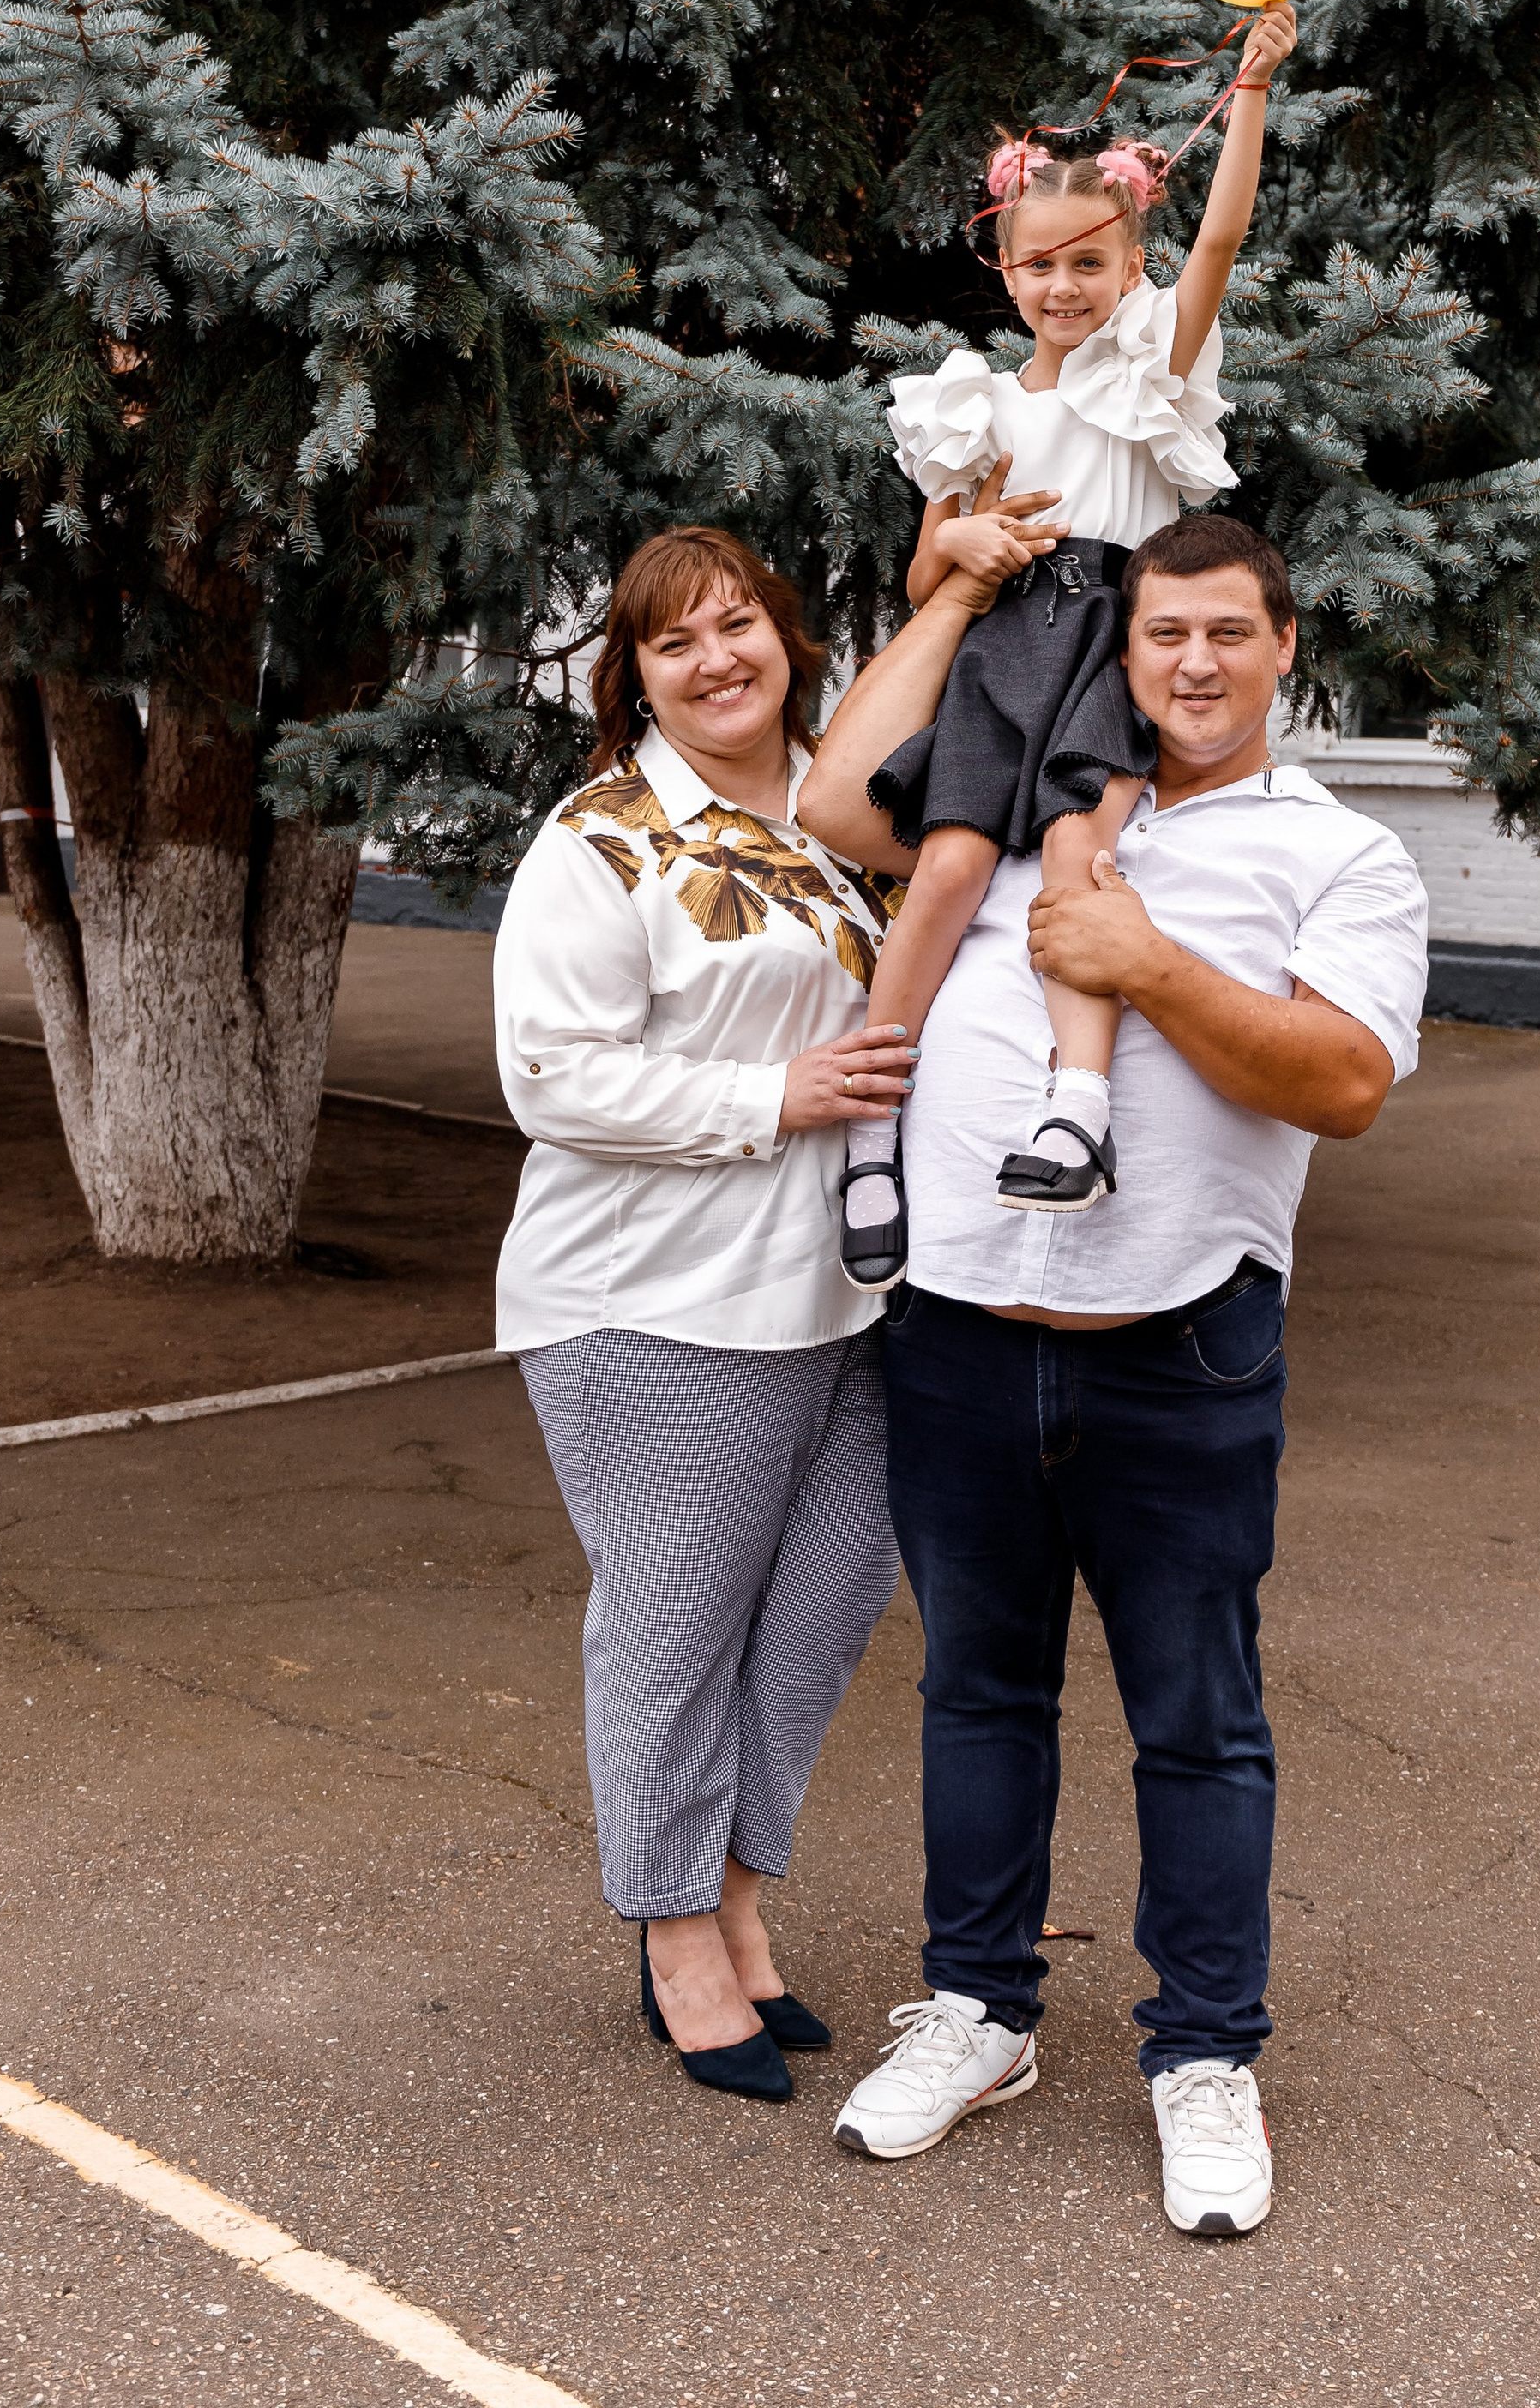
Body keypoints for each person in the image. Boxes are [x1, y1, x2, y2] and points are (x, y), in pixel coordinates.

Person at [797, 512, 1429, 2235]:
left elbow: (1343, 1080)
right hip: (956, 1331)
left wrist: (1144, 964)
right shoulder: (1018, 785)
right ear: (1123, 649)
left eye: (1229, 633)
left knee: (1196, 1726)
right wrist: (952, 591)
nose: (1195, 666)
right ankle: (979, 2012)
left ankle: (1202, 2054)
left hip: (1180, 1347)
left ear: (1283, 644)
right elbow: (837, 797)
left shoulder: (1336, 854)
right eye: (1163, 636)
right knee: (976, 1695)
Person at [492, 526, 919, 2105]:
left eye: (739, 626)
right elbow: (550, 1075)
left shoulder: (845, 816)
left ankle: (742, 1906)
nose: (717, 659)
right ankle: (674, 1935)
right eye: (676, 644)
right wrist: (779, 1095)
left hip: (851, 1298)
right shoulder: (601, 841)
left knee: (810, 1623)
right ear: (636, 675)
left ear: (787, 640)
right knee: (674, 1631)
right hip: (654, 1300)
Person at [839, 0, 1299, 1291]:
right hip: (1003, 646)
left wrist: (1251, 93)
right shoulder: (973, 405)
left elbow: (1224, 234)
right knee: (943, 874)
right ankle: (874, 1120)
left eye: (1091, 266)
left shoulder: (1153, 362)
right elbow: (930, 562)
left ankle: (1075, 1107)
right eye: (1039, 267)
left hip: (1110, 638)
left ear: (1131, 266)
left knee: (1080, 876)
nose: (1063, 289)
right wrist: (966, 553)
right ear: (1004, 270)